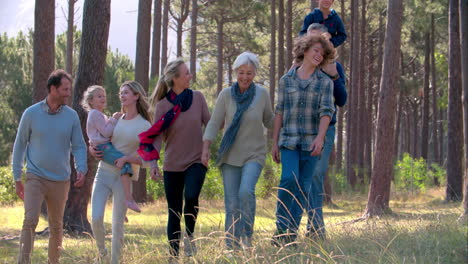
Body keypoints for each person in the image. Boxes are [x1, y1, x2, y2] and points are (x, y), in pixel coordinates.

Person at [11, 69, 87, 264]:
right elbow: (19, 145)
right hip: (35, 176)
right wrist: (17, 176)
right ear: (53, 89)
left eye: (69, 89)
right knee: (30, 221)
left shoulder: (71, 116)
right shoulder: (31, 113)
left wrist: (81, 167)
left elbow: (79, 145)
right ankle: (23, 261)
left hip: (60, 179)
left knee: (56, 225)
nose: (68, 93)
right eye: (64, 89)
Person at [202, 52, 275, 250]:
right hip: (230, 155)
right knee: (232, 203)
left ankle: (246, 236)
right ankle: (231, 245)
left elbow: (269, 119)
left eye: (249, 73)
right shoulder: (226, 95)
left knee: (246, 191)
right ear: (235, 72)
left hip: (254, 154)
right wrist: (206, 147)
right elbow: (215, 122)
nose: (245, 77)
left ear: (255, 73)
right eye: (241, 72)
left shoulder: (262, 94)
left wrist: (283, 117)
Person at [139, 58, 210, 258]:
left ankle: (189, 235)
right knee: (174, 211)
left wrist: (209, 144)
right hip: (172, 165)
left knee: (191, 196)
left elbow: (211, 125)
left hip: (196, 160)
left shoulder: (198, 98)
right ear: (175, 79)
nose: (190, 75)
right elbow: (157, 137)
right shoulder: (162, 105)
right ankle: (173, 254)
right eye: (186, 73)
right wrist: (153, 163)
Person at [271, 35, 336, 246]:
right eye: (315, 50)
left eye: (322, 53)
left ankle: (290, 234)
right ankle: (280, 229)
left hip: (311, 143)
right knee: (289, 180)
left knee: (303, 187)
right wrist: (274, 143)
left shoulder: (325, 82)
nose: (318, 55)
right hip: (289, 141)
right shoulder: (285, 80)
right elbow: (279, 113)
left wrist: (320, 138)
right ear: (305, 50)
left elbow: (326, 112)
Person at [290, 23, 347, 240]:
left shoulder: (335, 67)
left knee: (315, 174)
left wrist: (334, 76)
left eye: (320, 42)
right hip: (299, 130)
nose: (316, 47)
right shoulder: (296, 68)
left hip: (326, 129)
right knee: (298, 177)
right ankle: (291, 227)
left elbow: (342, 100)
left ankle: (315, 229)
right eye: (311, 41)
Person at [89, 81, 153, 264]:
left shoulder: (144, 125)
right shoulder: (114, 119)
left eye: (126, 92)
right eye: (121, 93)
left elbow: (147, 160)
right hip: (103, 173)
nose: (122, 96)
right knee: (96, 218)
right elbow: (98, 139)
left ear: (136, 96)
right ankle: (102, 254)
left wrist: (126, 159)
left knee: (118, 228)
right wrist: (92, 149)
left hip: (123, 178)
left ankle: (115, 261)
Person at [82, 85, 141, 213]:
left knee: (124, 165)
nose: (103, 98)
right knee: (125, 165)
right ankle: (128, 200)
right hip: (103, 148)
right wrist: (114, 119)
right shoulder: (95, 114)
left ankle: (122, 209)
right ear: (91, 101)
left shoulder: (99, 114)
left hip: (103, 147)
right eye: (99, 96)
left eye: (103, 96)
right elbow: (106, 133)